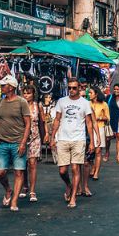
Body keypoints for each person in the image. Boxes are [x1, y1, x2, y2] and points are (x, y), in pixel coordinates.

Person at [50, 77, 95, 209]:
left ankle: (74, 196)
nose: (71, 90)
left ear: (79, 88)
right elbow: (57, 120)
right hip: (63, 138)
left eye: (74, 88)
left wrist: (92, 141)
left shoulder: (85, 103)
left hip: (78, 139)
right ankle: (69, 185)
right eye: (69, 88)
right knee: (62, 171)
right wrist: (52, 137)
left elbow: (89, 123)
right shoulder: (61, 101)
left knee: (75, 168)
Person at [0, 75, 31, 212]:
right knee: (0, 172)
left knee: (19, 172)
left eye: (3, 85)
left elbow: (28, 123)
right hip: (3, 142)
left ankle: (14, 200)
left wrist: (24, 143)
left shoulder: (21, 102)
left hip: (18, 142)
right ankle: (8, 190)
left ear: (11, 87)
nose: (1, 87)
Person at [22, 85, 43, 203]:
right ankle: (25, 186)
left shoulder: (37, 106)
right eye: (24, 93)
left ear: (33, 94)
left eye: (28, 93)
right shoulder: (20, 105)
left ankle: (32, 190)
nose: (26, 95)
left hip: (35, 136)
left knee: (32, 163)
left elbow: (42, 121)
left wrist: (45, 134)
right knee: (22, 164)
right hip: (22, 137)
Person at [89, 87, 109, 180]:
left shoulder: (104, 104)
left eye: (91, 93)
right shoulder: (87, 104)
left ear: (96, 94)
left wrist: (99, 118)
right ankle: (92, 166)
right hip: (88, 129)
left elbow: (108, 118)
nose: (89, 94)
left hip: (100, 128)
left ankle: (96, 172)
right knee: (89, 151)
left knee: (98, 151)